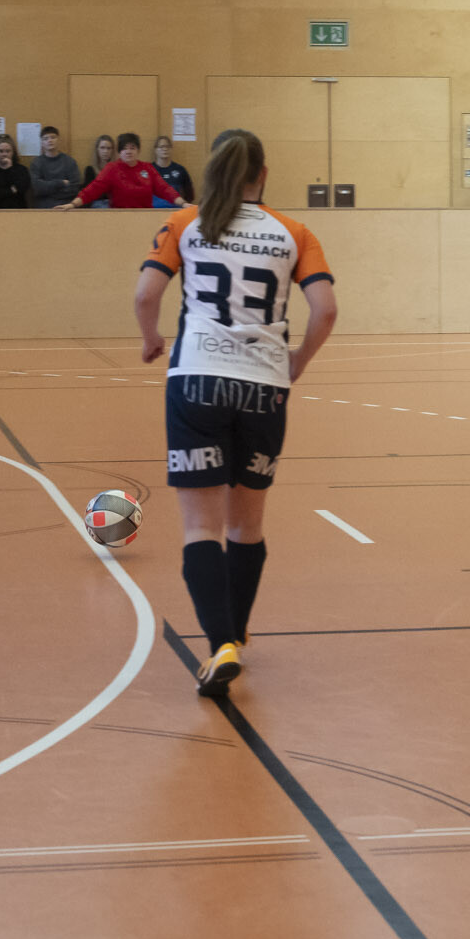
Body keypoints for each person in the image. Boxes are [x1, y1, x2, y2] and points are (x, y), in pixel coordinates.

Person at [134, 128, 337, 697]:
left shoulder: (185, 223)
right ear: (262, 174)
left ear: (212, 170)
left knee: (201, 527)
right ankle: (237, 635)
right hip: (264, 387)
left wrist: (151, 339)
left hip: (197, 378)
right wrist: (297, 361)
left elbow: (146, 295)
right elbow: (325, 309)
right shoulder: (294, 232)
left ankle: (221, 642)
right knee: (247, 525)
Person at [61, 133, 187, 210]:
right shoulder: (112, 168)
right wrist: (73, 204)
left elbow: (164, 188)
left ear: (138, 150)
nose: (128, 151)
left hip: (146, 216)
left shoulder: (147, 168)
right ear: (119, 152)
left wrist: (183, 204)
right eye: (124, 148)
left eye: (132, 148)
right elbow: (94, 188)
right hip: (119, 218)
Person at [30, 127, 80, 210]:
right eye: (46, 138)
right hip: (43, 207)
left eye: (53, 137)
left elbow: (74, 188)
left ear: (58, 140)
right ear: (42, 143)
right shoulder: (36, 163)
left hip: (66, 207)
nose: (50, 140)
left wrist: (48, 190)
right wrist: (61, 183)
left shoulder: (69, 161)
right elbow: (37, 188)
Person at [0, 134, 31, 209]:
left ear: (13, 152)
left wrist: (9, 169)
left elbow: (21, 190)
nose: (4, 154)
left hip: (17, 209)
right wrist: (12, 190)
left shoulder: (22, 170)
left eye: (8, 151)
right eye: (1, 151)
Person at [151, 135, 195, 207]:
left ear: (171, 149)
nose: (165, 149)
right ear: (155, 150)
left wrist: (184, 205)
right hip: (154, 210)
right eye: (161, 147)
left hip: (175, 209)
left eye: (167, 146)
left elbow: (189, 193)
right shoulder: (149, 169)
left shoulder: (180, 170)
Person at [80, 134, 117, 206]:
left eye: (109, 148)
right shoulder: (90, 170)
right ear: (97, 149)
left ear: (112, 150)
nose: (105, 151)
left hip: (114, 202)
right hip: (97, 203)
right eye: (102, 148)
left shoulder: (117, 169)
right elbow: (90, 193)